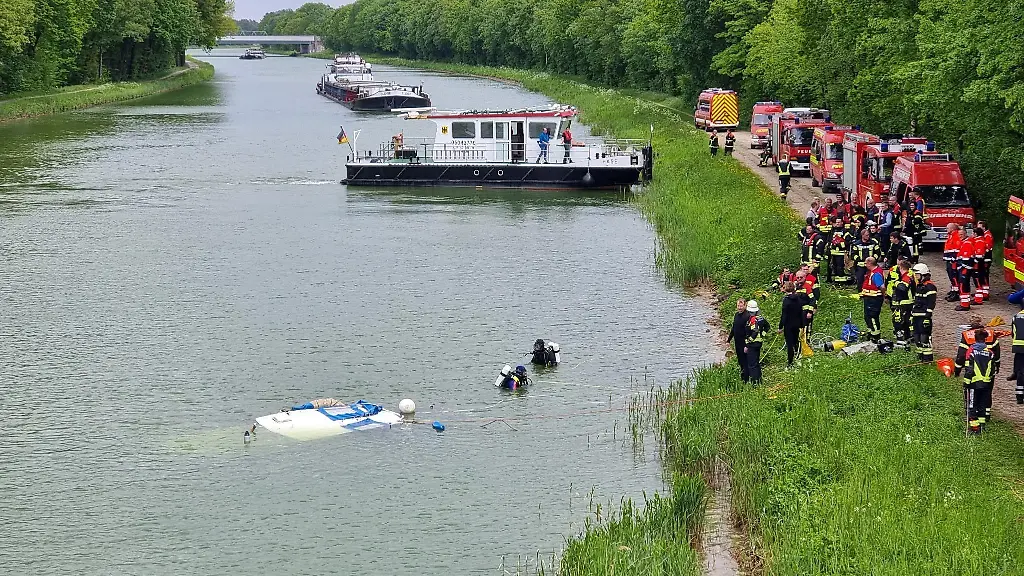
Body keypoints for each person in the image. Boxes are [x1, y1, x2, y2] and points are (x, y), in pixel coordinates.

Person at [961, 329, 996, 435]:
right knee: (982, 406)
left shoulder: (971, 351)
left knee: (972, 405)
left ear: (975, 339)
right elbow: (992, 371)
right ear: (985, 340)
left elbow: (969, 369)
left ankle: (974, 429)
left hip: (973, 384)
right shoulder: (990, 353)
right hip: (986, 384)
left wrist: (966, 383)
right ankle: (982, 426)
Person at [911, 263, 937, 361]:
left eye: (917, 275)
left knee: (924, 338)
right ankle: (920, 357)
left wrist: (927, 317)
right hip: (916, 316)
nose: (916, 277)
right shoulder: (919, 286)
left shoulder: (930, 287)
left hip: (924, 316)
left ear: (923, 274)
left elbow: (931, 303)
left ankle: (927, 359)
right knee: (917, 337)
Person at [743, 300, 771, 386]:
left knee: (752, 365)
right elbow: (767, 326)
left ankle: (755, 383)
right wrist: (762, 335)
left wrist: (749, 341)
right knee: (756, 363)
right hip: (759, 343)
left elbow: (755, 331)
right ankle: (759, 380)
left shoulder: (752, 319)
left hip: (753, 344)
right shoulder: (760, 318)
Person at [860, 256, 885, 343]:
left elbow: (881, 287)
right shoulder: (872, 272)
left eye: (866, 263)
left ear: (870, 263)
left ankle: (876, 336)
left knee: (872, 317)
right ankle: (871, 333)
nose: (865, 265)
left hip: (874, 299)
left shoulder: (876, 274)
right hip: (869, 298)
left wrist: (883, 296)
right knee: (867, 317)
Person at [889, 260, 914, 347]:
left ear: (901, 268)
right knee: (906, 322)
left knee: (900, 321)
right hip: (905, 302)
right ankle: (907, 338)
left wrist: (895, 282)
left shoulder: (907, 276)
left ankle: (903, 339)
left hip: (905, 303)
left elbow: (903, 288)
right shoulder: (906, 275)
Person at [779, 282, 804, 367]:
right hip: (796, 324)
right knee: (796, 340)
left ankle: (790, 362)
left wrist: (780, 327)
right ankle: (798, 356)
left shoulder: (786, 300)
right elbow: (801, 312)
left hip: (788, 325)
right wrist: (802, 324)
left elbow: (784, 315)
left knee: (789, 343)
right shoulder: (798, 299)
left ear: (786, 289)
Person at [727, 299, 751, 382]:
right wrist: (729, 339)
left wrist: (747, 345)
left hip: (744, 343)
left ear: (745, 306)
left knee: (745, 362)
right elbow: (734, 328)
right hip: (737, 342)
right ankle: (742, 377)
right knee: (740, 360)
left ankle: (746, 380)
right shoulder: (736, 315)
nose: (739, 308)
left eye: (741, 306)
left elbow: (749, 332)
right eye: (738, 306)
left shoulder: (747, 316)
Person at [956, 225, 977, 311]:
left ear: (965, 234)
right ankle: (965, 303)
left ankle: (964, 305)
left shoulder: (967, 243)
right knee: (965, 286)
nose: (960, 236)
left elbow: (967, 258)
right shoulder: (965, 242)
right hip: (965, 268)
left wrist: (962, 268)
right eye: (959, 235)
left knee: (963, 286)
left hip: (965, 269)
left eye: (961, 234)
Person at [1009, 288, 1024, 404]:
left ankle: (1019, 395)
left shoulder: (1016, 317)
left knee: (1020, 370)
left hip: (1018, 347)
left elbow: (1013, 333)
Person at [942, 223, 961, 302]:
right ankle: (954, 290)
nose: (946, 230)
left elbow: (956, 249)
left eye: (947, 228)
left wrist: (953, 259)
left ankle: (956, 292)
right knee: (951, 276)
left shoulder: (956, 236)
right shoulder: (951, 235)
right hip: (949, 259)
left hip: (953, 261)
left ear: (952, 229)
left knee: (954, 276)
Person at [828, 216, 850, 284]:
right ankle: (836, 281)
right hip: (833, 252)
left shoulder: (845, 231)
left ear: (842, 223)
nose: (837, 224)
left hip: (841, 253)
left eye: (839, 222)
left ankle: (841, 282)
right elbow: (830, 240)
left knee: (840, 267)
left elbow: (848, 241)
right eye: (836, 222)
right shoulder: (833, 230)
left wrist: (839, 245)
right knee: (834, 267)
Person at [977, 220, 994, 300]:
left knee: (984, 275)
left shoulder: (987, 235)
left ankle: (985, 293)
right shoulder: (985, 234)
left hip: (986, 258)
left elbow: (987, 247)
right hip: (984, 258)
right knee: (982, 275)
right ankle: (982, 291)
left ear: (984, 227)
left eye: (979, 227)